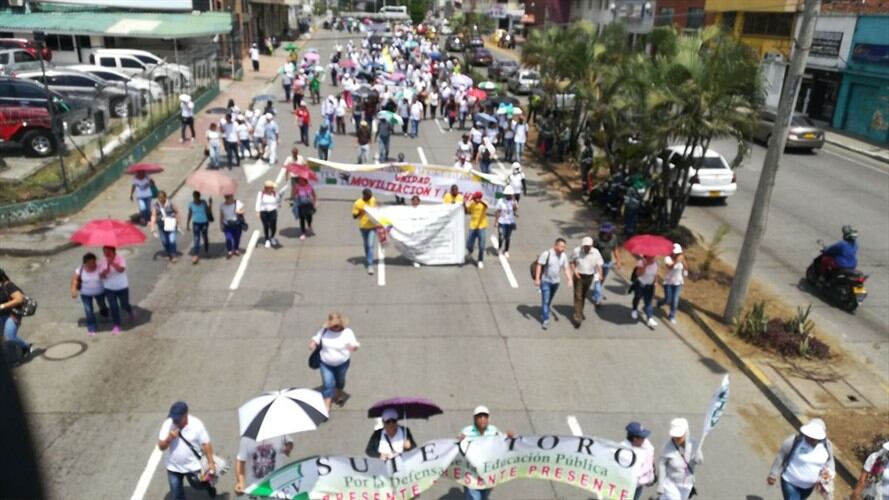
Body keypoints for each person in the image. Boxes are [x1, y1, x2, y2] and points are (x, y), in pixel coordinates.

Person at [157, 401, 217, 500]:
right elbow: (161, 447)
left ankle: (208, 486)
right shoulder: (168, 424)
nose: (175, 422)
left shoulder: (197, 425)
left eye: (178, 419)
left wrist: (211, 463)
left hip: (193, 467)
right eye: (174, 419)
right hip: (173, 467)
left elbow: (206, 444)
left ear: (185, 416)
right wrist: (169, 438)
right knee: (177, 495)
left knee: (198, 486)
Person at [768, 418, 835, 500]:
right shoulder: (794, 441)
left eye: (813, 438)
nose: (809, 439)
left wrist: (830, 473)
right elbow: (781, 456)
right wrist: (773, 474)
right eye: (808, 435)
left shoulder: (827, 446)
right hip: (790, 481)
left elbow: (830, 460)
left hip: (808, 487)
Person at [457, 406, 513, 500]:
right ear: (475, 418)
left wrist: (509, 437)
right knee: (475, 497)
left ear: (488, 418)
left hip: (488, 472)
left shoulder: (494, 431)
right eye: (479, 417)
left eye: (485, 416)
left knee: (483, 496)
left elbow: (502, 443)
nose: (482, 419)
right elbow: (457, 448)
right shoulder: (466, 431)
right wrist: (459, 441)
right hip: (472, 472)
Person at [309, 312, 359, 410]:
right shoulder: (324, 331)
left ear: (341, 324)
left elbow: (354, 345)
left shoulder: (347, 332)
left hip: (342, 363)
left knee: (340, 381)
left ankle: (339, 392)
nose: (335, 327)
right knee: (327, 383)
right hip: (325, 363)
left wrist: (353, 347)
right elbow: (316, 338)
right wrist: (312, 343)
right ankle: (327, 404)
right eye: (333, 326)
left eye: (337, 325)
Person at [657, 418, 701, 500]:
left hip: (687, 484)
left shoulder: (694, 443)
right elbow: (662, 465)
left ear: (686, 433)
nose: (677, 439)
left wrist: (697, 457)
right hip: (671, 483)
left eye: (679, 436)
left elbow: (699, 461)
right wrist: (660, 484)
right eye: (675, 437)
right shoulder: (667, 447)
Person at [534, 238, 573, 330]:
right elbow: (539, 265)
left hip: (556, 282)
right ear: (555, 245)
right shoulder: (547, 254)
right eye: (561, 246)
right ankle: (545, 319)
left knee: (549, 300)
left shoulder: (563, 256)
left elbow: (566, 268)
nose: (563, 248)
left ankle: (545, 311)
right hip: (545, 281)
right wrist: (537, 279)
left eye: (564, 247)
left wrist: (569, 279)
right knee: (546, 300)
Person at [70, 252, 109, 337]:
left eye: (94, 262)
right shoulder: (80, 269)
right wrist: (73, 290)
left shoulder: (99, 267)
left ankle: (104, 313)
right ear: (85, 263)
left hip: (100, 292)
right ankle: (92, 327)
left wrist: (104, 274)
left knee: (102, 305)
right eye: (90, 263)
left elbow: (106, 277)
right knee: (88, 310)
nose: (93, 264)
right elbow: (75, 279)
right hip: (86, 293)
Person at [570, 237, 603, 328]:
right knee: (578, 296)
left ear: (591, 246)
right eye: (585, 246)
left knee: (583, 295)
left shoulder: (595, 252)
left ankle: (580, 311)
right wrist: (575, 272)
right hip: (579, 276)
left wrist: (600, 274)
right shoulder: (577, 251)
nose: (586, 248)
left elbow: (599, 264)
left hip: (589, 276)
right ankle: (577, 317)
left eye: (588, 246)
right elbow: (571, 262)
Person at [99, 246, 132, 335]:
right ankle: (117, 325)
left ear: (114, 252)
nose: (106, 254)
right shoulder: (102, 261)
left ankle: (129, 310)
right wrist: (104, 273)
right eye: (104, 252)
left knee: (124, 304)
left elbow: (121, 270)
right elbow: (101, 276)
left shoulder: (120, 258)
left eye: (108, 252)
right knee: (113, 307)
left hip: (122, 286)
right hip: (109, 288)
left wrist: (112, 263)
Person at [621, 422, 656, 500]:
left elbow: (651, 456)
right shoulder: (622, 451)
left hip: (639, 485)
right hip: (625, 486)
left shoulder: (645, 443)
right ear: (635, 439)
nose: (644, 439)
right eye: (642, 437)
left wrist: (651, 475)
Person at [0, 269, 31, 358]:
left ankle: (26, 346)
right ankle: (11, 355)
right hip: (1, 316)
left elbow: (19, 299)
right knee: (4, 338)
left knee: (9, 336)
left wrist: (2, 306)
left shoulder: (8, 285)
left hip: (12, 315)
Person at [592, 223, 621, 306]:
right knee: (598, 280)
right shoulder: (597, 239)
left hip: (607, 263)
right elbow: (592, 251)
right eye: (606, 232)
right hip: (598, 264)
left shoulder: (613, 238)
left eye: (609, 232)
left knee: (602, 279)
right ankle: (598, 299)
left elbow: (615, 249)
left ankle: (596, 293)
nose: (607, 233)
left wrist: (618, 260)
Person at [657, 244, 687, 324]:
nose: (676, 255)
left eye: (677, 253)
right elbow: (669, 267)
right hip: (669, 283)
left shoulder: (681, 258)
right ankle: (659, 303)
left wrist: (684, 263)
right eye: (675, 253)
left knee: (675, 300)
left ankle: (672, 315)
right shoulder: (667, 258)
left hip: (678, 283)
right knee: (668, 299)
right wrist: (677, 261)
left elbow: (686, 267)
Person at [353, 188, 378, 275]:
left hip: (372, 227)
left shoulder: (373, 199)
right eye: (368, 196)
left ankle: (370, 265)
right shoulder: (358, 203)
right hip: (363, 227)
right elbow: (354, 216)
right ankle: (368, 257)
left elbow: (376, 206)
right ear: (364, 195)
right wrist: (361, 212)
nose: (370, 197)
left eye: (371, 196)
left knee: (370, 245)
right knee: (366, 244)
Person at [150, 190, 179, 262]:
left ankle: (173, 255)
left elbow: (176, 212)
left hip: (170, 225)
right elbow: (153, 215)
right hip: (161, 226)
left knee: (172, 240)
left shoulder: (170, 203)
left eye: (162, 197)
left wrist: (177, 221)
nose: (160, 199)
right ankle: (169, 252)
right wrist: (152, 226)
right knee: (164, 241)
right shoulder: (156, 205)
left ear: (165, 197)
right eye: (159, 197)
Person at [631, 255, 659, 328]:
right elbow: (638, 274)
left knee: (648, 302)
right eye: (652, 257)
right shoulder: (641, 262)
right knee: (637, 297)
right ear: (647, 256)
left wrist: (655, 281)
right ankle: (634, 310)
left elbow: (655, 273)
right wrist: (645, 266)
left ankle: (650, 318)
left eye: (654, 257)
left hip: (650, 286)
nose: (654, 258)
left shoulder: (655, 263)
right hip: (640, 285)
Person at [186, 191, 212, 265]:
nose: (195, 198)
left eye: (197, 196)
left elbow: (208, 211)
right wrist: (187, 224)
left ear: (199, 196)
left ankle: (206, 250)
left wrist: (210, 204)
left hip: (204, 223)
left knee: (205, 237)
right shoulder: (191, 204)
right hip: (196, 223)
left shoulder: (204, 203)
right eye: (194, 196)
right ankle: (196, 254)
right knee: (196, 238)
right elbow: (190, 214)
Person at [465, 192, 488, 269]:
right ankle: (470, 251)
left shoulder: (483, 203)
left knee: (481, 245)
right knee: (468, 243)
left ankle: (480, 260)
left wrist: (480, 200)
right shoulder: (472, 203)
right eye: (474, 198)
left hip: (481, 227)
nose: (474, 199)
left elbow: (486, 205)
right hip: (472, 226)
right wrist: (466, 204)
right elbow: (467, 210)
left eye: (476, 197)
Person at [256, 180, 282, 248]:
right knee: (266, 225)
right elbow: (258, 202)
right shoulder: (261, 194)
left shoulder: (275, 194)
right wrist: (257, 212)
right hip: (264, 212)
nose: (273, 189)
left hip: (273, 211)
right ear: (266, 188)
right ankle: (267, 239)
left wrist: (279, 204)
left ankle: (272, 237)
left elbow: (278, 201)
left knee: (273, 226)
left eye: (272, 188)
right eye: (271, 188)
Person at [494, 185, 517, 258]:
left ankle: (506, 250)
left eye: (509, 194)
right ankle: (499, 249)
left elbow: (515, 210)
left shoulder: (513, 201)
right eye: (507, 194)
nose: (508, 196)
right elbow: (497, 211)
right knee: (501, 236)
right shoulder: (500, 201)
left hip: (510, 222)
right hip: (502, 222)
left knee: (508, 237)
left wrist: (514, 203)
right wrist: (496, 222)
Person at [291, 176, 316, 240]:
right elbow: (293, 196)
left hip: (308, 204)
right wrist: (294, 191)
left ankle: (309, 225)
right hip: (301, 205)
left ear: (305, 180)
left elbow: (314, 195)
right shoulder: (297, 186)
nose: (299, 181)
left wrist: (315, 202)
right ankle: (303, 233)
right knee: (302, 219)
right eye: (299, 180)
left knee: (309, 217)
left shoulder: (309, 186)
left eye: (301, 180)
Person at [220, 194, 244, 259]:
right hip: (227, 225)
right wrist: (221, 224)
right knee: (228, 238)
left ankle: (236, 249)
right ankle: (229, 251)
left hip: (236, 224)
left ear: (232, 196)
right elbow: (221, 216)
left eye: (228, 197)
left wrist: (238, 211)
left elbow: (243, 211)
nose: (227, 198)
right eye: (226, 197)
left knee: (237, 238)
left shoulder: (237, 203)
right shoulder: (222, 205)